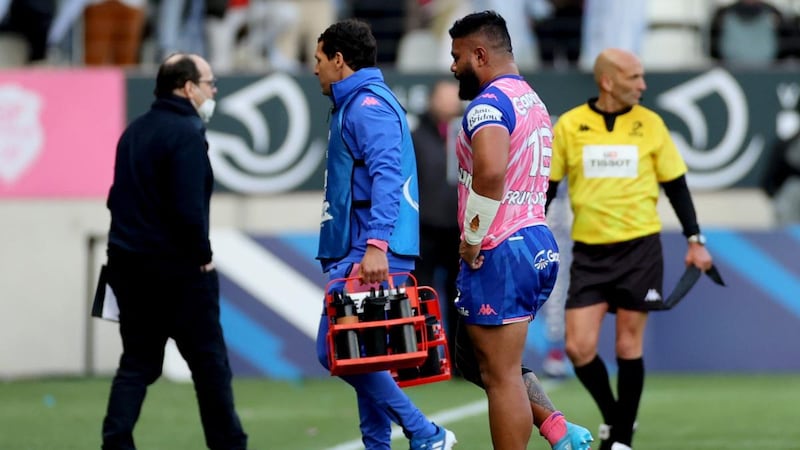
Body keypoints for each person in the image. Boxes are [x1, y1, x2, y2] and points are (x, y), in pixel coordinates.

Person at [547, 48, 715, 450]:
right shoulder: (570, 126)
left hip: (640, 251)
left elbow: (676, 186)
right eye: (634, 77)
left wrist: (696, 240)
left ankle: (620, 439)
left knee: (627, 345)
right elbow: (548, 189)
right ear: (607, 81)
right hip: (589, 252)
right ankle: (616, 419)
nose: (643, 84)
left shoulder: (651, 125)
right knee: (578, 347)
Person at [447, 10, 592, 450]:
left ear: (479, 54)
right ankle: (556, 428)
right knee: (474, 359)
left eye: (457, 57)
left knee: (501, 375)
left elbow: (490, 174)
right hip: (534, 239)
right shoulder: (530, 98)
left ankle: (554, 432)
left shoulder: (489, 105)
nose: (452, 67)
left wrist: (472, 240)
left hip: (499, 247)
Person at [312, 18, 457, 450]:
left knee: (333, 350)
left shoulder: (368, 106)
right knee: (365, 353)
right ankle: (379, 445)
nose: (315, 69)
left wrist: (374, 245)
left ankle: (425, 432)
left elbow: (388, 177)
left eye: (319, 60)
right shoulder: (358, 104)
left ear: (340, 61)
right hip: (364, 248)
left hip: (372, 251)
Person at [101, 53, 249, 450]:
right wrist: (202, 255)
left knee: (136, 364)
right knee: (210, 368)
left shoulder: (134, 131)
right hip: (179, 273)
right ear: (187, 88)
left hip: (129, 267)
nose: (213, 91)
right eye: (209, 83)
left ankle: (115, 443)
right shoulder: (186, 133)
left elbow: (116, 199)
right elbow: (187, 208)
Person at [412, 79, 462, 367]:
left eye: (453, 98)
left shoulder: (468, 134)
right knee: (423, 296)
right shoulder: (416, 136)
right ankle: (426, 359)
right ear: (432, 100)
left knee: (461, 299)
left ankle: (459, 363)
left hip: (458, 231)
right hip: (425, 230)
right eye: (443, 97)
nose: (449, 103)